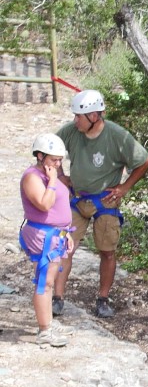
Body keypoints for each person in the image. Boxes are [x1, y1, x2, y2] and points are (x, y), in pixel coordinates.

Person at [53, 89, 148, 319]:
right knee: (64, 248)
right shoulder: (71, 131)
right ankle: (57, 297)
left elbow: (144, 160)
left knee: (107, 252)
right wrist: (60, 175)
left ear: (94, 116)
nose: (75, 120)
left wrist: (124, 187)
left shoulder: (117, 135)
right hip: (77, 199)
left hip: (105, 202)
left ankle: (103, 298)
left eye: (79, 116)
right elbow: (53, 148)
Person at [19, 134, 73, 347]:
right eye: (53, 160)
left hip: (55, 234)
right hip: (43, 235)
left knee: (49, 279)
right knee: (45, 280)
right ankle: (44, 330)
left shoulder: (50, 174)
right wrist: (52, 181)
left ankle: (48, 322)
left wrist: (65, 231)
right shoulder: (33, 177)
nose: (57, 164)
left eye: (60, 160)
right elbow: (44, 204)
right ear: (40, 156)